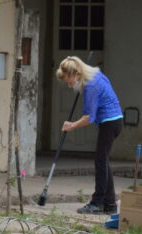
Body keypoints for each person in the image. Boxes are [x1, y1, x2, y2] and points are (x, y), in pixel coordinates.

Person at [56, 56, 123, 214]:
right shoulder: (96, 75)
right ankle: (110, 204)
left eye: (68, 80)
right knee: (103, 162)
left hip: (109, 122)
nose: (68, 83)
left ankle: (97, 203)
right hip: (115, 121)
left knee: (100, 162)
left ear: (76, 74)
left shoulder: (90, 86)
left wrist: (72, 125)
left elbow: (89, 117)